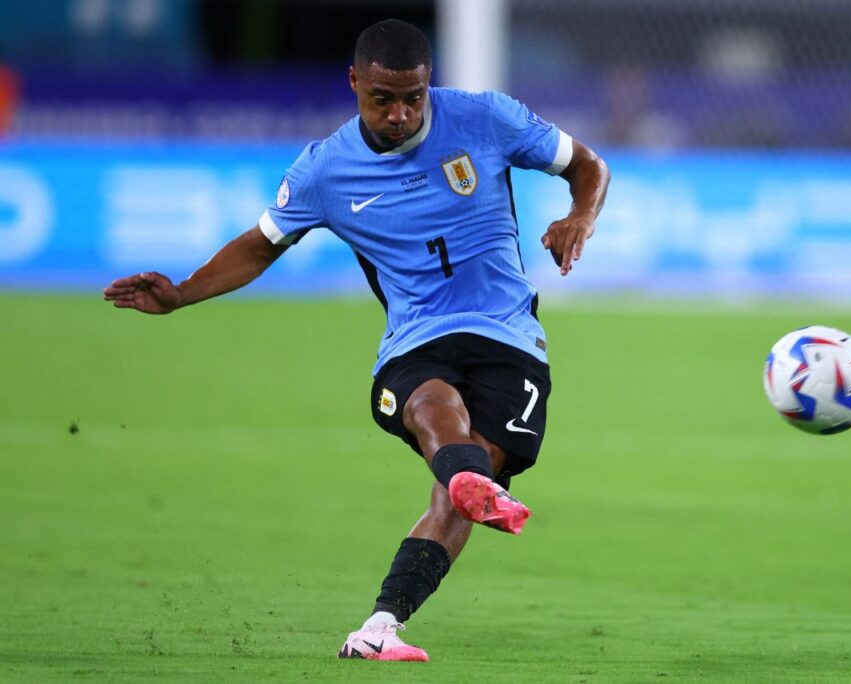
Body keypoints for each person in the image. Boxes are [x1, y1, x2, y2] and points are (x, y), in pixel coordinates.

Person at [103, 19, 610, 662]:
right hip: (415, 336)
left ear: (430, 86)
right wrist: (182, 293)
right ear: (354, 83)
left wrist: (579, 216)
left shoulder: (486, 118)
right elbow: (261, 246)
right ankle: (468, 480)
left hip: (510, 337)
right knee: (434, 410)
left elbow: (589, 167)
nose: (399, 114)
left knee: (458, 490)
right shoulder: (325, 170)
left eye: (413, 98)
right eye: (382, 99)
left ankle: (377, 629)